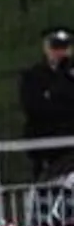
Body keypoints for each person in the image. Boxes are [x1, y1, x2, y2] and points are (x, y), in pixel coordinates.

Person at [18, 25, 74, 179]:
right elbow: (35, 109)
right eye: (56, 47)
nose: (60, 53)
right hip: (46, 150)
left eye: (64, 47)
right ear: (46, 48)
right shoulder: (33, 77)